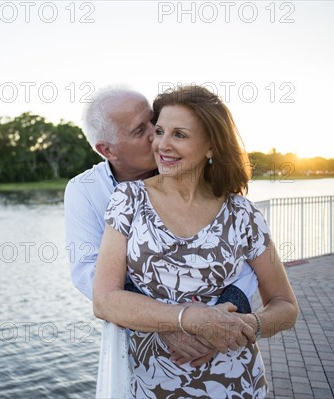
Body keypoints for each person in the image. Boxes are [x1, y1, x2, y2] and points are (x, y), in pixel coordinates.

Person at [92, 85, 299, 398]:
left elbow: (285, 307)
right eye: (159, 131)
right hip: (153, 386)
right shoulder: (129, 199)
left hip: (236, 384)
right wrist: (188, 319)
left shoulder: (243, 213)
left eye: (180, 135)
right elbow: (105, 300)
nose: (161, 144)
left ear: (211, 146)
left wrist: (244, 327)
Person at [64, 87, 257, 366]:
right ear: (107, 150)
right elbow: (88, 272)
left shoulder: (191, 169)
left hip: (224, 341)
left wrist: (217, 324)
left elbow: (246, 259)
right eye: (140, 130)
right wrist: (167, 322)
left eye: (154, 119)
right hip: (153, 353)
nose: (158, 133)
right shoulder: (85, 190)